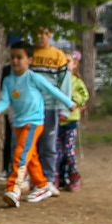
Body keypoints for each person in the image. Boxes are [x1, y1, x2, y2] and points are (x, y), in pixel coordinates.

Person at [0, 40, 73, 208]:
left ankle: (13, 189)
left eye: (19, 57)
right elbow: (5, 100)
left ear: (29, 60)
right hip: (18, 122)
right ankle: (42, 185)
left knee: (20, 155)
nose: (15, 61)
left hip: (34, 122)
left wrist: (69, 103)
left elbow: (53, 90)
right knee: (30, 157)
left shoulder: (34, 78)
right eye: (12, 57)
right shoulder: (8, 81)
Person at [30, 27, 71, 190]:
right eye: (36, 33)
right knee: (29, 144)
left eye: (43, 33)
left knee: (48, 144)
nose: (39, 37)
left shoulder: (58, 56)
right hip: (30, 107)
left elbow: (65, 83)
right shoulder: (29, 54)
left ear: (50, 34)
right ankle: (33, 178)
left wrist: (64, 108)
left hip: (50, 106)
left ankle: (48, 178)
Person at [56, 50, 89, 191]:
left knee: (69, 151)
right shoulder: (55, 81)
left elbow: (84, 95)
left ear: (74, 64)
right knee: (56, 152)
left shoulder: (76, 81)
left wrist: (75, 99)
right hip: (56, 122)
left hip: (70, 122)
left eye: (68, 61)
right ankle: (57, 177)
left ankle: (74, 176)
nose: (65, 64)